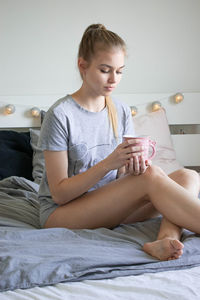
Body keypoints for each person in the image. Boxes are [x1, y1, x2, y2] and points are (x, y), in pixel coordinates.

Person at [38, 23, 200, 261]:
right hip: (62, 214)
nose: (114, 79)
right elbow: (59, 194)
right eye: (105, 70)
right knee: (151, 176)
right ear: (83, 66)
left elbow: (122, 180)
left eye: (120, 71)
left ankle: (165, 238)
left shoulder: (121, 110)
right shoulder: (61, 115)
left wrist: (131, 168)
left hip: (108, 205)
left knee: (189, 176)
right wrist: (109, 163)